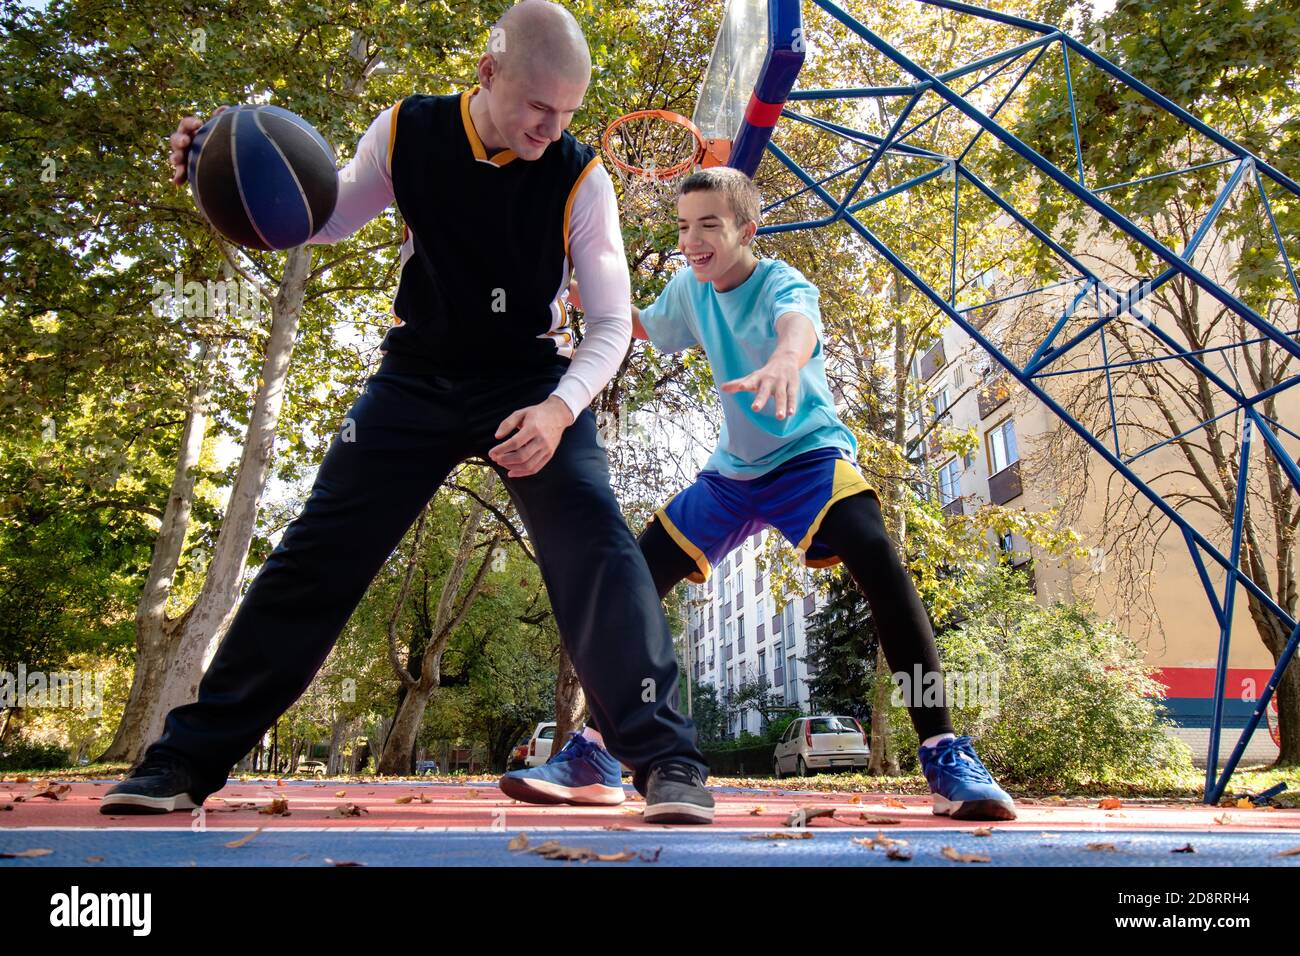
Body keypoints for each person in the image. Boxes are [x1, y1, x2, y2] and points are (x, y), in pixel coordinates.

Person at [101, 0, 714, 826]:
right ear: (488, 73)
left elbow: (607, 325)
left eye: (567, 112)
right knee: (319, 550)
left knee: (600, 549)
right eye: (539, 107)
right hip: (418, 375)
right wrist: (223, 160)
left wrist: (561, 411)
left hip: (532, 381)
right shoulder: (408, 130)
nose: (550, 127)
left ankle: (670, 762)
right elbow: (323, 213)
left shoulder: (579, 174)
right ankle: (182, 759)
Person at [500, 166, 1017, 821]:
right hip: (731, 476)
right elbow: (648, 327)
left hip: (809, 459)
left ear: (747, 230)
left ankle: (944, 752)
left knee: (878, 556)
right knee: (620, 582)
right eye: (684, 227)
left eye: (709, 225)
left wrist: (782, 362)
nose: (692, 239)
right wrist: (586, 296)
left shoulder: (781, 281)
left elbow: (795, 327)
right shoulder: (691, 288)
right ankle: (598, 753)